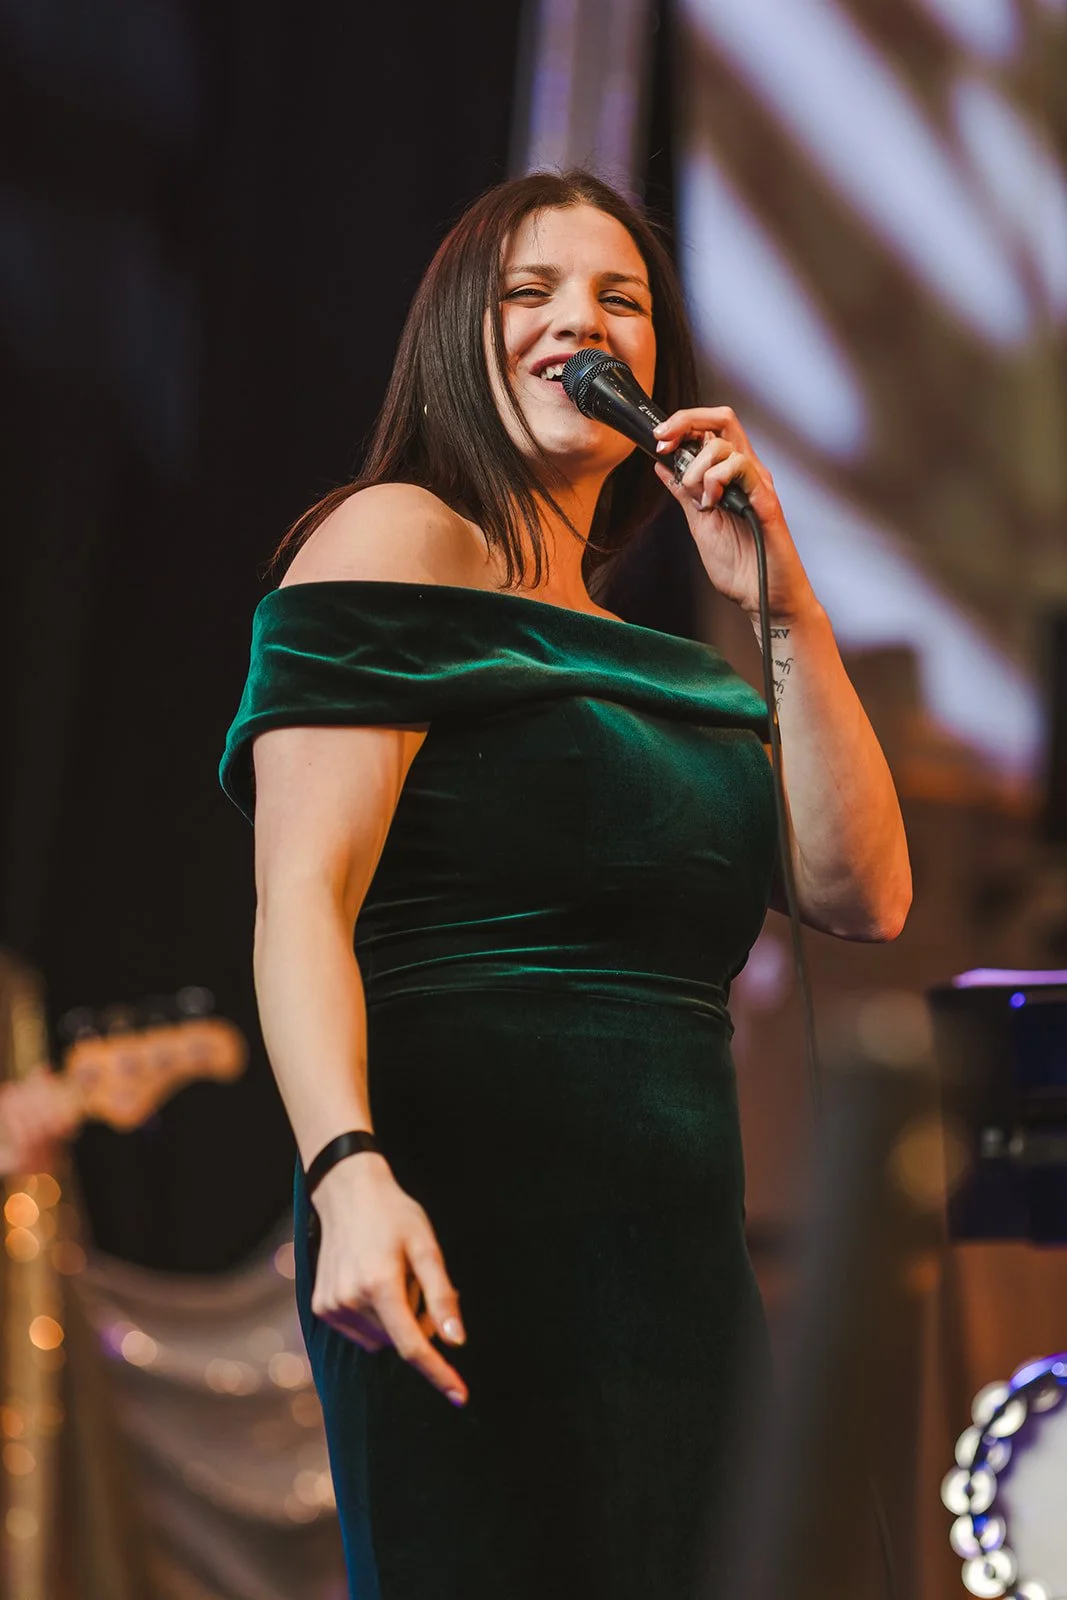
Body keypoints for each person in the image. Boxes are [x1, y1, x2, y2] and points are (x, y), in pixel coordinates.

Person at [219, 169, 911, 1600]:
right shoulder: (394, 539)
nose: (572, 322)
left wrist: (780, 597)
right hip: (455, 1220)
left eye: (618, 299)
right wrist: (348, 1176)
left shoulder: (665, 656)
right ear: (453, 338)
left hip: (671, 1252)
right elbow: (300, 900)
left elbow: (863, 892)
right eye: (525, 293)